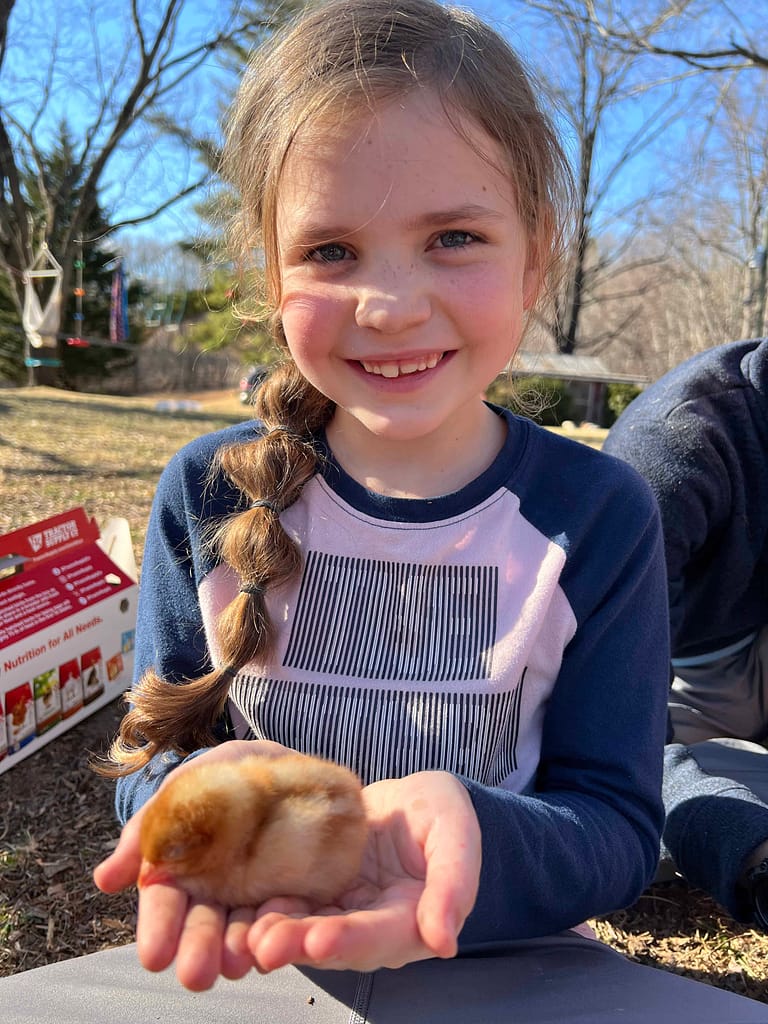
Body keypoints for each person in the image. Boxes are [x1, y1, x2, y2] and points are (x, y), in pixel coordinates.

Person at [3, 3, 766, 1020]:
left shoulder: (602, 514)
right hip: (260, 959)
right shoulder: (207, 492)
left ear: (536, 255)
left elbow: (619, 829)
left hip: (517, 959)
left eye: (453, 236)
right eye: (331, 251)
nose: (391, 303)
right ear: (268, 274)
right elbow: (155, 758)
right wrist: (194, 808)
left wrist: (480, 838)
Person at [604, 336, 768, 930]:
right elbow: (621, 739)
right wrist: (749, 852)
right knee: (621, 829)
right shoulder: (674, 446)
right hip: (683, 666)